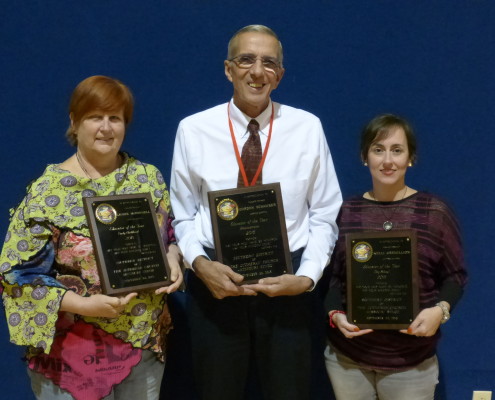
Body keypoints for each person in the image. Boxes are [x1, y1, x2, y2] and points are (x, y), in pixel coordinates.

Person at [170, 25, 342, 400]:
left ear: (279, 75)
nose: (258, 71)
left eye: (269, 63)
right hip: (214, 285)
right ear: (228, 69)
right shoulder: (193, 130)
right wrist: (200, 265)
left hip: (288, 286)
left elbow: (325, 214)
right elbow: (181, 216)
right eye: (246, 59)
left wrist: (307, 278)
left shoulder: (307, 128)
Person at [0, 75, 183, 400]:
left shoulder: (147, 178)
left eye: (115, 118)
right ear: (75, 122)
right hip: (73, 356)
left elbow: (168, 234)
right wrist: (85, 305)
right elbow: (16, 275)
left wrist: (173, 257)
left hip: (143, 346)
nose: (106, 128)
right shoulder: (47, 193)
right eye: (95, 117)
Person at [324, 114, 468, 400]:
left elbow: (456, 276)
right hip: (347, 360)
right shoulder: (347, 211)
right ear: (364, 157)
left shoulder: (434, 212)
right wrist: (335, 315)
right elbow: (334, 279)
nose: (387, 160)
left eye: (397, 150)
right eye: (378, 150)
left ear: (410, 158)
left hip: (411, 362)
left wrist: (440, 311)